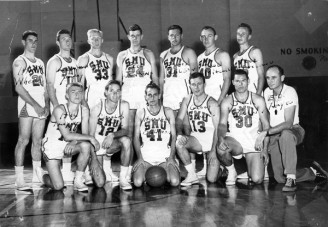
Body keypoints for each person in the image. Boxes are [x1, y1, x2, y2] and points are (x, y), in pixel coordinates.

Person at [258, 65, 328, 191]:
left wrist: (266, 133)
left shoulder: (289, 91)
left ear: (282, 78)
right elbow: (266, 122)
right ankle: (311, 172)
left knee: (286, 134)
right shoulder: (266, 92)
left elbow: (288, 123)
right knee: (279, 178)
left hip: (294, 130)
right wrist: (265, 147)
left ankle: (291, 178)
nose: (270, 81)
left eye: (274, 77)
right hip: (274, 133)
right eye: (267, 78)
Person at [36, 82, 104, 192]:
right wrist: (90, 138)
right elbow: (67, 135)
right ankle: (43, 176)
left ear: (83, 95)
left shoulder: (84, 111)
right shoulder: (59, 110)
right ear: (67, 96)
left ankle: (78, 180)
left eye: (80, 92)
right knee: (58, 186)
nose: (77, 95)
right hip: (52, 145)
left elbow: (85, 135)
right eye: (73, 92)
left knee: (85, 146)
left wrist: (74, 141)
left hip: (68, 143)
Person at [116, 24, 158, 178]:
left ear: (142, 36)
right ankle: (127, 171)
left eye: (137, 35)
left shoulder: (148, 53)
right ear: (128, 37)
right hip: (128, 99)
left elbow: (155, 77)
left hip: (145, 99)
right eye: (132, 35)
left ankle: (145, 165)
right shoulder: (122, 55)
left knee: (144, 134)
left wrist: (156, 97)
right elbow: (117, 79)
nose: (134, 38)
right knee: (129, 134)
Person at [217, 69, 270, 186]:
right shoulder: (227, 101)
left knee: (257, 179)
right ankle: (232, 171)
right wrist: (221, 138)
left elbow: (266, 126)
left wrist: (265, 149)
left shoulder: (258, 100)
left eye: (243, 81)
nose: (240, 84)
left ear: (248, 81)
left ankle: (255, 168)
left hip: (253, 142)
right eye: (237, 81)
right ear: (233, 82)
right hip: (236, 142)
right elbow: (222, 124)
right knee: (221, 149)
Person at [12, 30, 49, 190]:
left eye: (35, 41)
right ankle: (19, 179)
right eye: (30, 40)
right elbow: (19, 88)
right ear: (23, 42)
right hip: (28, 105)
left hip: (41, 106)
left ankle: (36, 174)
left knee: (38, 142)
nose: (33, 43)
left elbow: (45, 87)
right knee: (23, 140)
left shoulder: (40, 63)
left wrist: (46, 105)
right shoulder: (19, 62)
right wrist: (35, 105)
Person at [77, 29, 115, 180]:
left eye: (98, 38)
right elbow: (79, 84)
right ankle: (87, 170)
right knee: (90, 135)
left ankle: (107, 169)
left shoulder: (109, 58)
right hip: (91, 99)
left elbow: (112, 83)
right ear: (88, 40)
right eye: (92, 38)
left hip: (107, 100)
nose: (95, 40)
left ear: (102, 39)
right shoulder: (83, 58)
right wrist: (83, 103)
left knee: (106, 132)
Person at [197, 25, 231, 176]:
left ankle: (226, 166)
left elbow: (227, 80)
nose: (206, 39)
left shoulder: (222, 54)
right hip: (205, 100)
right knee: (206, 130)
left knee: (218, 132)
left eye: (209, 36)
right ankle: (206, 165)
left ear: (215, 37)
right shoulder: (199, 57)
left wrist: (219, 101)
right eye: (203, 36)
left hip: (217, 100)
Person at [176, 72, 220, 186]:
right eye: (193, 84)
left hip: (212, 140)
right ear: (189, 86)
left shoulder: (212, 103)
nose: (196, 87)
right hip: (197, 138)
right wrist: (180, 134)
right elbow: (179, 119)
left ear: (204, 84)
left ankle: (222, 167)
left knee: (211, 179)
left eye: (199, 84)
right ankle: (191, 174)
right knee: (179, 143)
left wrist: (214, 151)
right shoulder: (187, 99)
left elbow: (218, 129)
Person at [46, 29, 79, 185]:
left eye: (69, 38)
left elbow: (78, 85)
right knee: (57, 139)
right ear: (58, 42)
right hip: (60, 107)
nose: (67, 41)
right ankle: (50, 173)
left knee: (70, 136)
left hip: (72, 106)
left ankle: (66, 171)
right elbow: (50, 86)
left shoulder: (74, 61)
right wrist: (55, 106)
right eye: (64, 39)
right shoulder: (54, 61)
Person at [133, 82, 180, 187]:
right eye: (149, 95)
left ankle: (166, 171)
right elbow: (136, 137)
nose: (152, 98)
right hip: (146, 156)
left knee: (175, 181)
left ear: (159, 96)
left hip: (165, 156)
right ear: (145, 97)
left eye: (155, 94)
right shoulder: (141, 112)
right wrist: (139, 157)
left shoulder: (168, 111)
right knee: (137, 182)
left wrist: (172, 157)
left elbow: (174, 136)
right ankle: (143, 173)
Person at [89, 80, 132, 190]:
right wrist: (93, 158)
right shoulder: (97, 108)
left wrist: (112, 135)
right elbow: (90, 136)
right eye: (112, 91)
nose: (115, 94)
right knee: (100, 183)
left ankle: (123, 178)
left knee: (126, 141)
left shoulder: (124, 105)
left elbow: (126, 129)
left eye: (118, 91)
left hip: (109, 143)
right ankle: (87, 168)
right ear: (106, 92)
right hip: (96, 145)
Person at [159, 24, 198, 114]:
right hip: (168, 98)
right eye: (172, 35)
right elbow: (161, 79)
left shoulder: (189, 52)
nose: (174, 38)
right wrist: (160, 97)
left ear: (182, 36)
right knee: (171, 127)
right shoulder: (163, 55)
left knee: (186, 127)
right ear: (168, 37)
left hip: (184, 96)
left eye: (177, 35)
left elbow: (195, 77)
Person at [233, 23, 264, 95]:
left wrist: (258, 95)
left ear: (249, 36)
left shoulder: (255, 51)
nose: (240, 36)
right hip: (241, 95)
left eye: (243, 34)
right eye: (238, 33)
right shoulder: (235, 56)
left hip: (254, 93)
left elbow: (261, 76)